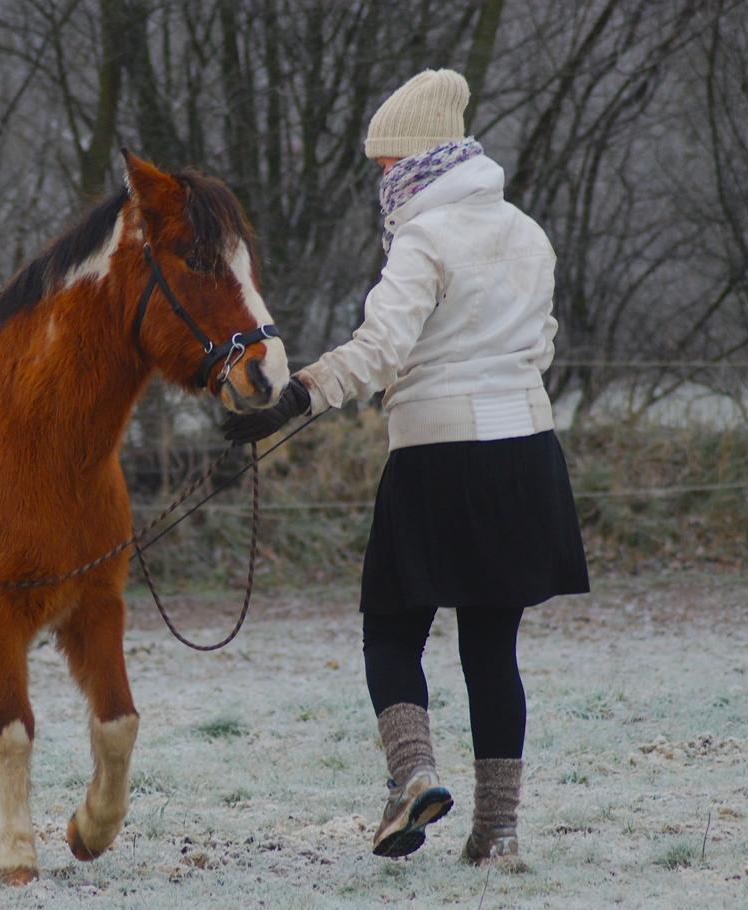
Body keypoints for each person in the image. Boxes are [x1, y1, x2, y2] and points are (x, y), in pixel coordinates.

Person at [223, 68, 590, 863]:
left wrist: (295, 396)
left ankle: (411, 776)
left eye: (386, 162)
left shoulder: (424, 239)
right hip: (526, 455)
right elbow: (544, 346)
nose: (381, 176)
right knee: (493, 649)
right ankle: (498, 834)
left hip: (438, 458)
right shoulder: (528, 232)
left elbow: (381, 349)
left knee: (391, 629)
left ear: (421, 158)